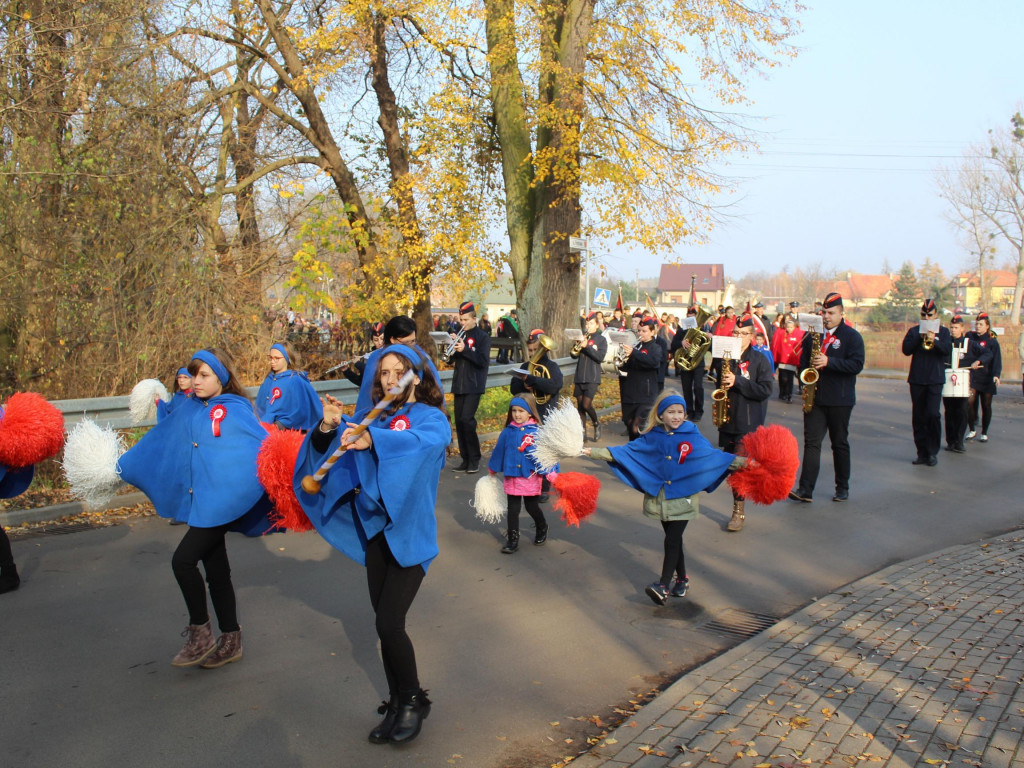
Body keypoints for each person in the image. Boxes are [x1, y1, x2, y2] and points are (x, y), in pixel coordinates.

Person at [297, 345, 449, 745]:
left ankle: (415, 700)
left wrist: (373, 441)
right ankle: (398, 701)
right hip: (377, 536)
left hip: (411, 537)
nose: (390, 378)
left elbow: (420, 444)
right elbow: (335, 455)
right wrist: (330, 428)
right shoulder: (373, 419)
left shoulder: (431, 420)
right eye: (384, 373)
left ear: (416, 376)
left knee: (389, 623)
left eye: (399, 371)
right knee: (384, 625)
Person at [117, 348, 276, 668]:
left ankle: (201, 634)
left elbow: (262, 447)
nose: (196, 381)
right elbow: (162, 440)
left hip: (222, 502)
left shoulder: (236, 409)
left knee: (183, 561)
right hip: (202, 502)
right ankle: (231, 640)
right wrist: (121, 467)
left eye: (204, 375)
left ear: (222, 377)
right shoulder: (191, 407)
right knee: (217, 571)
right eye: (194, 374)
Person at [583, 392, 745, 605]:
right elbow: (626, 452)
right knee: (673, 540)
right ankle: (683, 579)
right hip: (661, 498)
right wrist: (591, 452)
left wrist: (744, 463)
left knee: (671, 539)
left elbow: (714, 457)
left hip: (683, 498)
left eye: (680, 412)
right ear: (661, 414)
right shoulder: (653, 435)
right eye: (671, 412)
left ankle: (663, 585)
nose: (676, 417)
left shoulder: (693, 435)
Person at [788, 292, 864, 503]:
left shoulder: (852, 337)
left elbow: (856, 365)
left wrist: (830, 362)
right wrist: (804, 384)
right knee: (812, 444)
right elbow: (803, 362)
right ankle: (805, 490)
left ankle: (842, 487)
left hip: (840, 399)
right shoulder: (814, 334)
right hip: (816, 397)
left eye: (831, 313)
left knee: (839, 443)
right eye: (824, 312)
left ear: (841, 313)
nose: (826, 316)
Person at [715, 316, 773, 531]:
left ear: (752, 336)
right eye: (735, 333)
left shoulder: (760, 360)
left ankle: (738, 512)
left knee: (739, 468)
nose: (738, 337)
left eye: (743, 334)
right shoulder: (725, 357)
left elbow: (766, 390)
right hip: (728, 420)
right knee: (732, 467)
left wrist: (738, 381)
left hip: (747, 423)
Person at [487, 394, 553, 553]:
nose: (517, 414)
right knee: (513, 509)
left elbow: (544, 456)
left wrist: (548, 473)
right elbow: (499, 452)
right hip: (512, 475)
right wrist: (493, 468)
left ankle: (542, 526)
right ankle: (512, 540)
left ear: (530, 412)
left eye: (521, 411)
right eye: (514, 410)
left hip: (529, 476)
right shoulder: (507, 432)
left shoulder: (537, 432)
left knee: (531, 507)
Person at [901, 298, 952, 466]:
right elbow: (906, 350)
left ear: (936, 315)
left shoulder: (943, 332)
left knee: (933, 414)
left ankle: (932, 452)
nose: (927, 317)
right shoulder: (914, 331)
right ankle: (921, 452)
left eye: (930, 315)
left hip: (935, 379)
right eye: (924, 314)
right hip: (917, 379)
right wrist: (920, 337)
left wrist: (933, 339)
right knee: (919, 416)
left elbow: (946, 351)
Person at [450, 300, 491, 472]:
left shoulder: (483, 337)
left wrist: (465, 349)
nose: (463, 323)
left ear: (474, 318)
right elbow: (452, 360)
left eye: (466, 320)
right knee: (459, 422)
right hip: (459, 384)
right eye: (461, 320)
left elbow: (482, 361)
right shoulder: (461, 335)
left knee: (467, 420)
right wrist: (451, 349)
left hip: (474, 385)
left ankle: (474, 458)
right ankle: (465, 459)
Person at [942, 315, 989, 453]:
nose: (953, 330)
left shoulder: (970, 343)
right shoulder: (946, 343)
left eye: (956, 328)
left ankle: (959, 441)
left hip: (963, 384)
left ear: (962, 328)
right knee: (949, 413)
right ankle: (950, 441)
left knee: (962, 412)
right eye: (951, 327)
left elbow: (987, 353)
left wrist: (978, 361)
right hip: (948, 383)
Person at [254, 341, 322, 431]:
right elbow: (259, 408)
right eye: (270, 358)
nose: (272, 361)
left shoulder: (295, 380)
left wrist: (280, 424)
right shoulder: (267, 380)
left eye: (277, 358)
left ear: (287, 358)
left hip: (285, 431)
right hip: (263, 428)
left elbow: (300, 411)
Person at [618, 317, 665, 441]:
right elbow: (628, 367)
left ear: (652, 332)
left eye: (644, 331)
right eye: (639, 331)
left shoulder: (656, 348)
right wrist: (623, 360)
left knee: (637, 427)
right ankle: (634, 452)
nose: (640, 334)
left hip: (646, 394)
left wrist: (634, 353)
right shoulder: (636, 346)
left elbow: (653, 363)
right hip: (631, 391)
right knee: (629, 424)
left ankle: (642, 452)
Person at [511, 328, 563, 422]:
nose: (533, 353)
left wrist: (532, 380)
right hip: (529, 414)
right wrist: (524, 386)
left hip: (547, 414)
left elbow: (555, 386)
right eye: (530, 350)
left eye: (536, 349)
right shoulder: (525, 366)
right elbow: (513, 388)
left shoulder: (552, 366)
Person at [570, 311, 607, 442]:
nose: (588, 326)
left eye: (591, 324)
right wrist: (577, 344)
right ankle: (583, 433)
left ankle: (596, 423)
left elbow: (599, 357)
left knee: (586, 404)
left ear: (597, 325)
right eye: (587, 324)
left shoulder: (601, 340)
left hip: (593, 376)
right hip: (580, 375)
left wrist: (586, 347)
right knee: (580, 406)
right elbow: (573, 355)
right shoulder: (583, 337)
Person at [966, 312, 1002, 443]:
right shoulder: (971, 338)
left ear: (987, 326)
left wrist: (996, 375)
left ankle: (984, 432)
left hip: (987, 377)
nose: (978, 327)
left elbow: (997, 360)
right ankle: (972, 429)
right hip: (973, 376)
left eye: (981, 324)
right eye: (976, 324)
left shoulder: (992, 342)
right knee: (970, 402)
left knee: (986, 405)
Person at [669, 306, 706, 422]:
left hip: (698, 362)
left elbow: (709, 346)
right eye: (689, 316)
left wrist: (709, 337)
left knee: (698, 387)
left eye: (693, 316)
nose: (691, 318)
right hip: (685, 362)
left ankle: (699, 411)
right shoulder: (681, 329)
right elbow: (673, 345)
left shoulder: (703, 328)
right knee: (686, 388)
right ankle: (689, 411)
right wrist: (681, 342)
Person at [340, 321, 386, 387]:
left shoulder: (389, 354)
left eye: (382, 339)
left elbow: (375, 374)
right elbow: (361, 382)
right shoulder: (369, 356)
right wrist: (347, 371)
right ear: (372, 341)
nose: (380, 342)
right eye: (376, 340)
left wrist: (358, 363)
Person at [771, 316, 803, 403]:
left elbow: (800, 347)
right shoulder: (781, 334)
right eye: (788, 327)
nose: (789, 329)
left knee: (790, 379)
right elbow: (777, 346)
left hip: (792, 361)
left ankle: (789, 395)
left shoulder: (798, 334)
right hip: (783, 360)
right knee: (783, 378)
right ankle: (782, 393)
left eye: (791, 327)